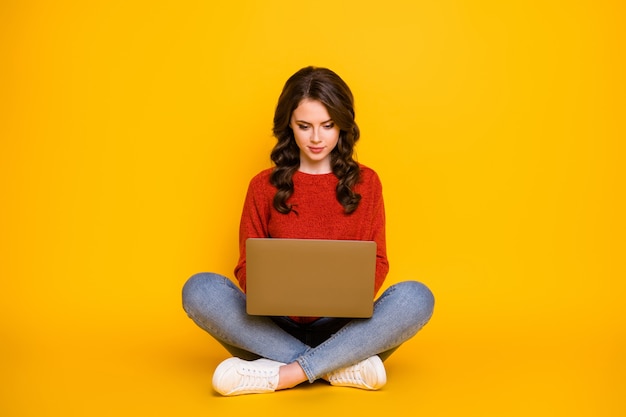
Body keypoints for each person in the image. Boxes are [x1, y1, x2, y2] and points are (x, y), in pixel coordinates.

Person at [182, 66, 434, 396]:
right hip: (272, 326)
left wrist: (342, 299)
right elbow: (246, 267)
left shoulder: (367, 183)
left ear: (343, 124)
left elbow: (378, 261)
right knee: (199, 290)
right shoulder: (262, 187)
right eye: (305, 126)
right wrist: (278, 296)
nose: (317, 138)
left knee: (416, 297)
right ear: (289, 124)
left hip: (345, 328)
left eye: (328, 126)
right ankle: (336, 368)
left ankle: (286, 372)